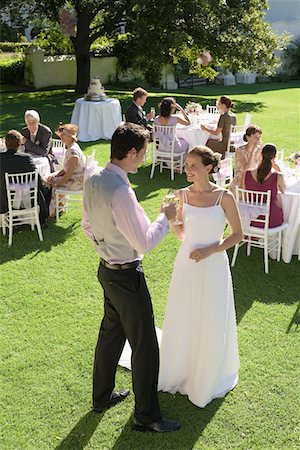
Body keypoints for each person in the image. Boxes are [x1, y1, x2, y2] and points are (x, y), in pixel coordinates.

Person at [81, 123, 180, 433]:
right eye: (143, 153)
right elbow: (145, 243)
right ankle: (147, 415)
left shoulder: (94, 178)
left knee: (111, 334)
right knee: (146, 345)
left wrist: (105, 245)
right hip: (125, 276)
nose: (144, 159)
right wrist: (167, 216)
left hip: (107, 271)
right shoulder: (122, 192)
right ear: (132, 152)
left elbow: (86, 225)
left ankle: (101, 397)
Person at [158, 145, 242, 408]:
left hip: (214, 264)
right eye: (186, 165)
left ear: (208, 167)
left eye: (194, 165)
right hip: (186, 263)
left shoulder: (224, 197)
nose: (188, 170)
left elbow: (238, 234)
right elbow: (182, 234)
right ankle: (182, 367)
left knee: (211, 314)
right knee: (185, 312)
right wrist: (171, 220)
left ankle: (207, 372)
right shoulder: (178, 195)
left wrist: (211, 250)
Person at [0, 130, 50, 227]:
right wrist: (44, 185)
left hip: (3, 198)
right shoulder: (26, 158)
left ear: (6, 143)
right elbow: (36, 178)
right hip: (27, 197)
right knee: (46, 188)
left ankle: (14, 220)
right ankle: (42, 219)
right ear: (19, 144)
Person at [46, 124, 85, 216]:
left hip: (76, 182)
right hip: (73, 177)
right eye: (61, 135)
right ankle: (58, 206)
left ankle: (52, 211)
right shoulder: (71, 148)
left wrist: (56, 182)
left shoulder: (73, 153)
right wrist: (55, 175)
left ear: (71, 137)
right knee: (48, 177)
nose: (61, 137)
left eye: (64, 135)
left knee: (47, 182)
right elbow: (66, 169)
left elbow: (68, 175)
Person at [244, 143, 285, 228]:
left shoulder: (247, 173)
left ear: (260, 154)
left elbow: (244, 193)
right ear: (274, 157)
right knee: (287, 213)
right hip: (270, 219)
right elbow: (284, 190)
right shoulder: (277, 176)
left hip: (250, 218)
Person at [229, 125, 263, 193]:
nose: (258, 140)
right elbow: (246, 169)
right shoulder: (240, 151)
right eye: (255, 137)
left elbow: (260, 166)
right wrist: (253, 150)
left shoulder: (259, 150)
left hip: (253, 182)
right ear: (248, 137)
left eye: (259, 137)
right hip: (240, 184)